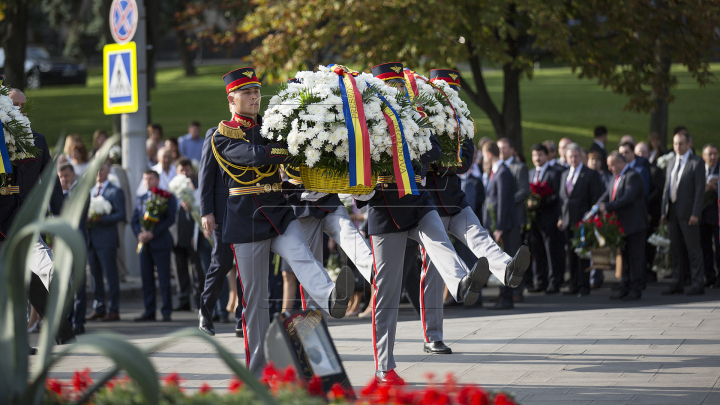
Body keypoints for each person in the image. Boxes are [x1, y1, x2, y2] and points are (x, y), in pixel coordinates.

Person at [210, 66, 353, 375]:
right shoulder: (221, 135)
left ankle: (332, 298)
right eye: (247, 93)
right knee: (257, 302)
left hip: (277, 209)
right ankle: (259, 373)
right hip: (246, 219)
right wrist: (280, 150)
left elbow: (287, 153)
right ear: (231, 99)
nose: (254, 97)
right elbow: (253, 157)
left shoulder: (273, 127)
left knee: (301, 255)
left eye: (257, 91)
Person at [358, 62, 488, 383]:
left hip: (418, 200)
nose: (399, 90)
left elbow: (437, 151)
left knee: (439, 241)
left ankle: (461, 284)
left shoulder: (416, 115)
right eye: (391, 85)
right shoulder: (366, 123)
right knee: (387, 292)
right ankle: (384, 366)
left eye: (401, 85)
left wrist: (412, 141)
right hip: (385, 208)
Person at [422, 68, 529, 334]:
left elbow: (465, 161)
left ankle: (506, 269)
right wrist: (442, 158)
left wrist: (442, 161)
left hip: (455, 200)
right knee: (433, 275)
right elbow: (423, 157)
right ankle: (433, 335)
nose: (451, 98)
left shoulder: (463, 123)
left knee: (480, 236)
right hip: (429, 206)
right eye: (446, 92)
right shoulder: (421, 116)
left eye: (454, 93)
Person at [2, 88, 73, 351]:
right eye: (14, 104)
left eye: (23, 104)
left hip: (28, 224)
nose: (21, 109)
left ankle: (65, 337)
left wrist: (62, 218)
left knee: (42, 277)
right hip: (1, 226)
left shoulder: (38, 141)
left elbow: (52, 183)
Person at [198, 102, 238, 337]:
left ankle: (242, 318)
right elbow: (206, 175)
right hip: (223, 211)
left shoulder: (255, 134)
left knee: (247, 266)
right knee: (221, 262)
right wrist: (206, 211)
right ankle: (206, 310)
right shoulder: (216, 134)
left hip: (249, 212)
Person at [660, 132, 706, 295]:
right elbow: (667, 187)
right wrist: (663, 211)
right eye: (675, 144)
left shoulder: (696, 162)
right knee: (676, 249)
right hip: (672, 212)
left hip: (688, 214)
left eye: (681, 143)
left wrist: (695, 213)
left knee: (693, 249)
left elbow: (700, 190)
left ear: (688, 144)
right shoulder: (671, 161)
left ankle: (697, 283)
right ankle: (677, 283)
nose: (678, 147)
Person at [598, 152, 647, 300]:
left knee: (635, 258)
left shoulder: (633, 176)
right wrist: (596, 206)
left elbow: (628, 198)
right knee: (624, 258)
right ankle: (624, 286)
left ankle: (635, 288)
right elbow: (607, 194)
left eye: (611, 165)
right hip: (621, 226)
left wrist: (606, 206)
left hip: (634, 225)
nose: (609, 168)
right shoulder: (615, 177)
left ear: (620, 163)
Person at [131, 170, 178, 321]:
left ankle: (166, 311)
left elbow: (170, 219)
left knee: (164, 279)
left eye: (150, 178)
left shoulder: (166, 197)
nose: (147, 181)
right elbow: (134, 220)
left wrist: (153, 233)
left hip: (160, 242)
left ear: (157, 180)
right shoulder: (140, 198)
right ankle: (149, 311)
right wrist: (139, 233)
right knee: (146, 279)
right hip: (144, 244)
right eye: (145, 179)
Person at [482, 141, 523, 310]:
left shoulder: (503, 173)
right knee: (502, 260)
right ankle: (503, 295)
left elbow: (504, 202)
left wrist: (499, 227)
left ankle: (507, 298)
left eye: (484, 155)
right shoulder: (498, 171)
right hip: (500, 225)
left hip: (505, 226)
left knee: (505, 259)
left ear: (489, 155)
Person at [558, 143, 603, 296]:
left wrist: (591, 217)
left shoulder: (590, 174)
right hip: (567, 221)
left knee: (583, 254)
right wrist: (560, 217)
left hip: (583, 221)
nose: (573, 159)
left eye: (576, 156)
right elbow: (563, 198)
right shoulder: (564, 174)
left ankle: (584, 285)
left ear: (581, 156)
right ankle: (573, 284)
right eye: (570, 157)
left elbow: (595, 197)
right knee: (571, 254)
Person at [86, 161, 125, 322]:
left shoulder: (115, 191)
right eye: (96, 170)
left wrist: (102, 218)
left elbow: (121, 215)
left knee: (111, 276)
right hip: (91, 239)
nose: (98, 173)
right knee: (95, 276)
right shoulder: (90, 191)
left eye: (101, 170)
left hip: (107, 239)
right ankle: (99, 307)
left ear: (108, 170)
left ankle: (114, 309)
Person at [527, 143, 564, 294]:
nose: (537, 158)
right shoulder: (530, 173)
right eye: (535, 155)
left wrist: (542, 199)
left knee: (552, 251)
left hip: (549, 217)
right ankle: (540, 281)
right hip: (534, 219)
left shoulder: (555, 173)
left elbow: (558, 195)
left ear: (547, 156)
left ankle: (554, 282)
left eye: (540, 155)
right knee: (537, 250)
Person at [496, 137, 530, 302]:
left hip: (514, 219)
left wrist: (507, 202)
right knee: (502, 256)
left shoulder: (519, 167)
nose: (501, 151)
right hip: (501, 220)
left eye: (504, 148)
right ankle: (505, 290)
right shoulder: (497, 168)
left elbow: (524, 191)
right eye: (499, 149)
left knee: (515, 255)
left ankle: (517, 290)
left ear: (512, 149)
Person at [58, 163, 89, 334]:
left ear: (73, 175)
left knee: (77, 284)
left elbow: (73, 217)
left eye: (66, 176)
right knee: (66, 285)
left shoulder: (81, 192)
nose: (63, 180)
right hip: (62, 246)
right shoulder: (59, 194)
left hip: (77, 243)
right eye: (61, 177)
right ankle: (68, 320)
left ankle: (78, 322)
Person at [172, 158, 207, 312]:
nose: (185, 174)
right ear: (177, 172)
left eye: (187, 170)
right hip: (177, 234)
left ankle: (199, 300)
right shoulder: (172, 188)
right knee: (179, 269)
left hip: (194, 234)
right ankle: (183, 300)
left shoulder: (198, 186)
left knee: (197, 268)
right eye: (182, 170)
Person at [635, 141, 666, 283]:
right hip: (638, 213)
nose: (641, 155)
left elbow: (659, 190)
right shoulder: (633, 170)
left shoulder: (655, 170)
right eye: (638, 153)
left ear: (649, 154)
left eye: (643, 152)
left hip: (651, 211)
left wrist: (645, 200)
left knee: (651, 243)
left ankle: (651, 271)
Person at [700, 144, 719, 287]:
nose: (712, 157)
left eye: (714, 154)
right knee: (705, 247)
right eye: (709, 154)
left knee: (718, 247)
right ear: (703, 156)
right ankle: (709, 276)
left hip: (717, 215)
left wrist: (716, 189)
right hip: (702, 215)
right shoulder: (699, 170)